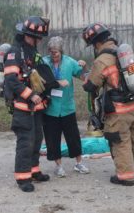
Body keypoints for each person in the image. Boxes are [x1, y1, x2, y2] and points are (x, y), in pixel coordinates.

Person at [82, 22, 134, 186]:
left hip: (119, 110)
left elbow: (91, 86)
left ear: (96, 43)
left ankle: (125, 176)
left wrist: (86, 76)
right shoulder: (124, 53)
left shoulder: (102, 60)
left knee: (120, 141)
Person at [3, 16, 51, 192]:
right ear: (27, 35)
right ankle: (23, 178)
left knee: (37, 138)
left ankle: (34, 170)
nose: (39, 41)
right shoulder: (15, 53)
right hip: (23, 107)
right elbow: (11, 80)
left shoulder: (31, 52)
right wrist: (30, 95)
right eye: (37, 37)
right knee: (25, 141)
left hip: (36, 107)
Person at [42, 36, 90, 178]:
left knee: (73, 137)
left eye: (56, 52)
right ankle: (58, 166)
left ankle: (79, 163)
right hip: (50, 109)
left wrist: (84, 67)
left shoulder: (70, 62)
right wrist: (57, 82)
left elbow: (84, 77)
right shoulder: (44, 63)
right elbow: (40, 82)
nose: (53, 55)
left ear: (61, 51)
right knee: (53, 138)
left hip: (67, 107)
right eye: (51, 52)